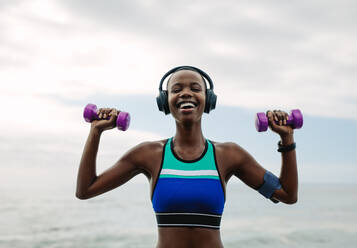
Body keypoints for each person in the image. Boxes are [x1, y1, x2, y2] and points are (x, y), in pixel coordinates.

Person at [75, 66, 298, 248]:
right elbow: (86, 190)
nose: (186, 93)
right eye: (177, 89)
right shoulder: (148, 155)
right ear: (165, 101)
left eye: (195, 88)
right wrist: (95, 132)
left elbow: (287, 194)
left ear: (208, 99)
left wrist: (287, 139)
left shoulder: (229, 155)